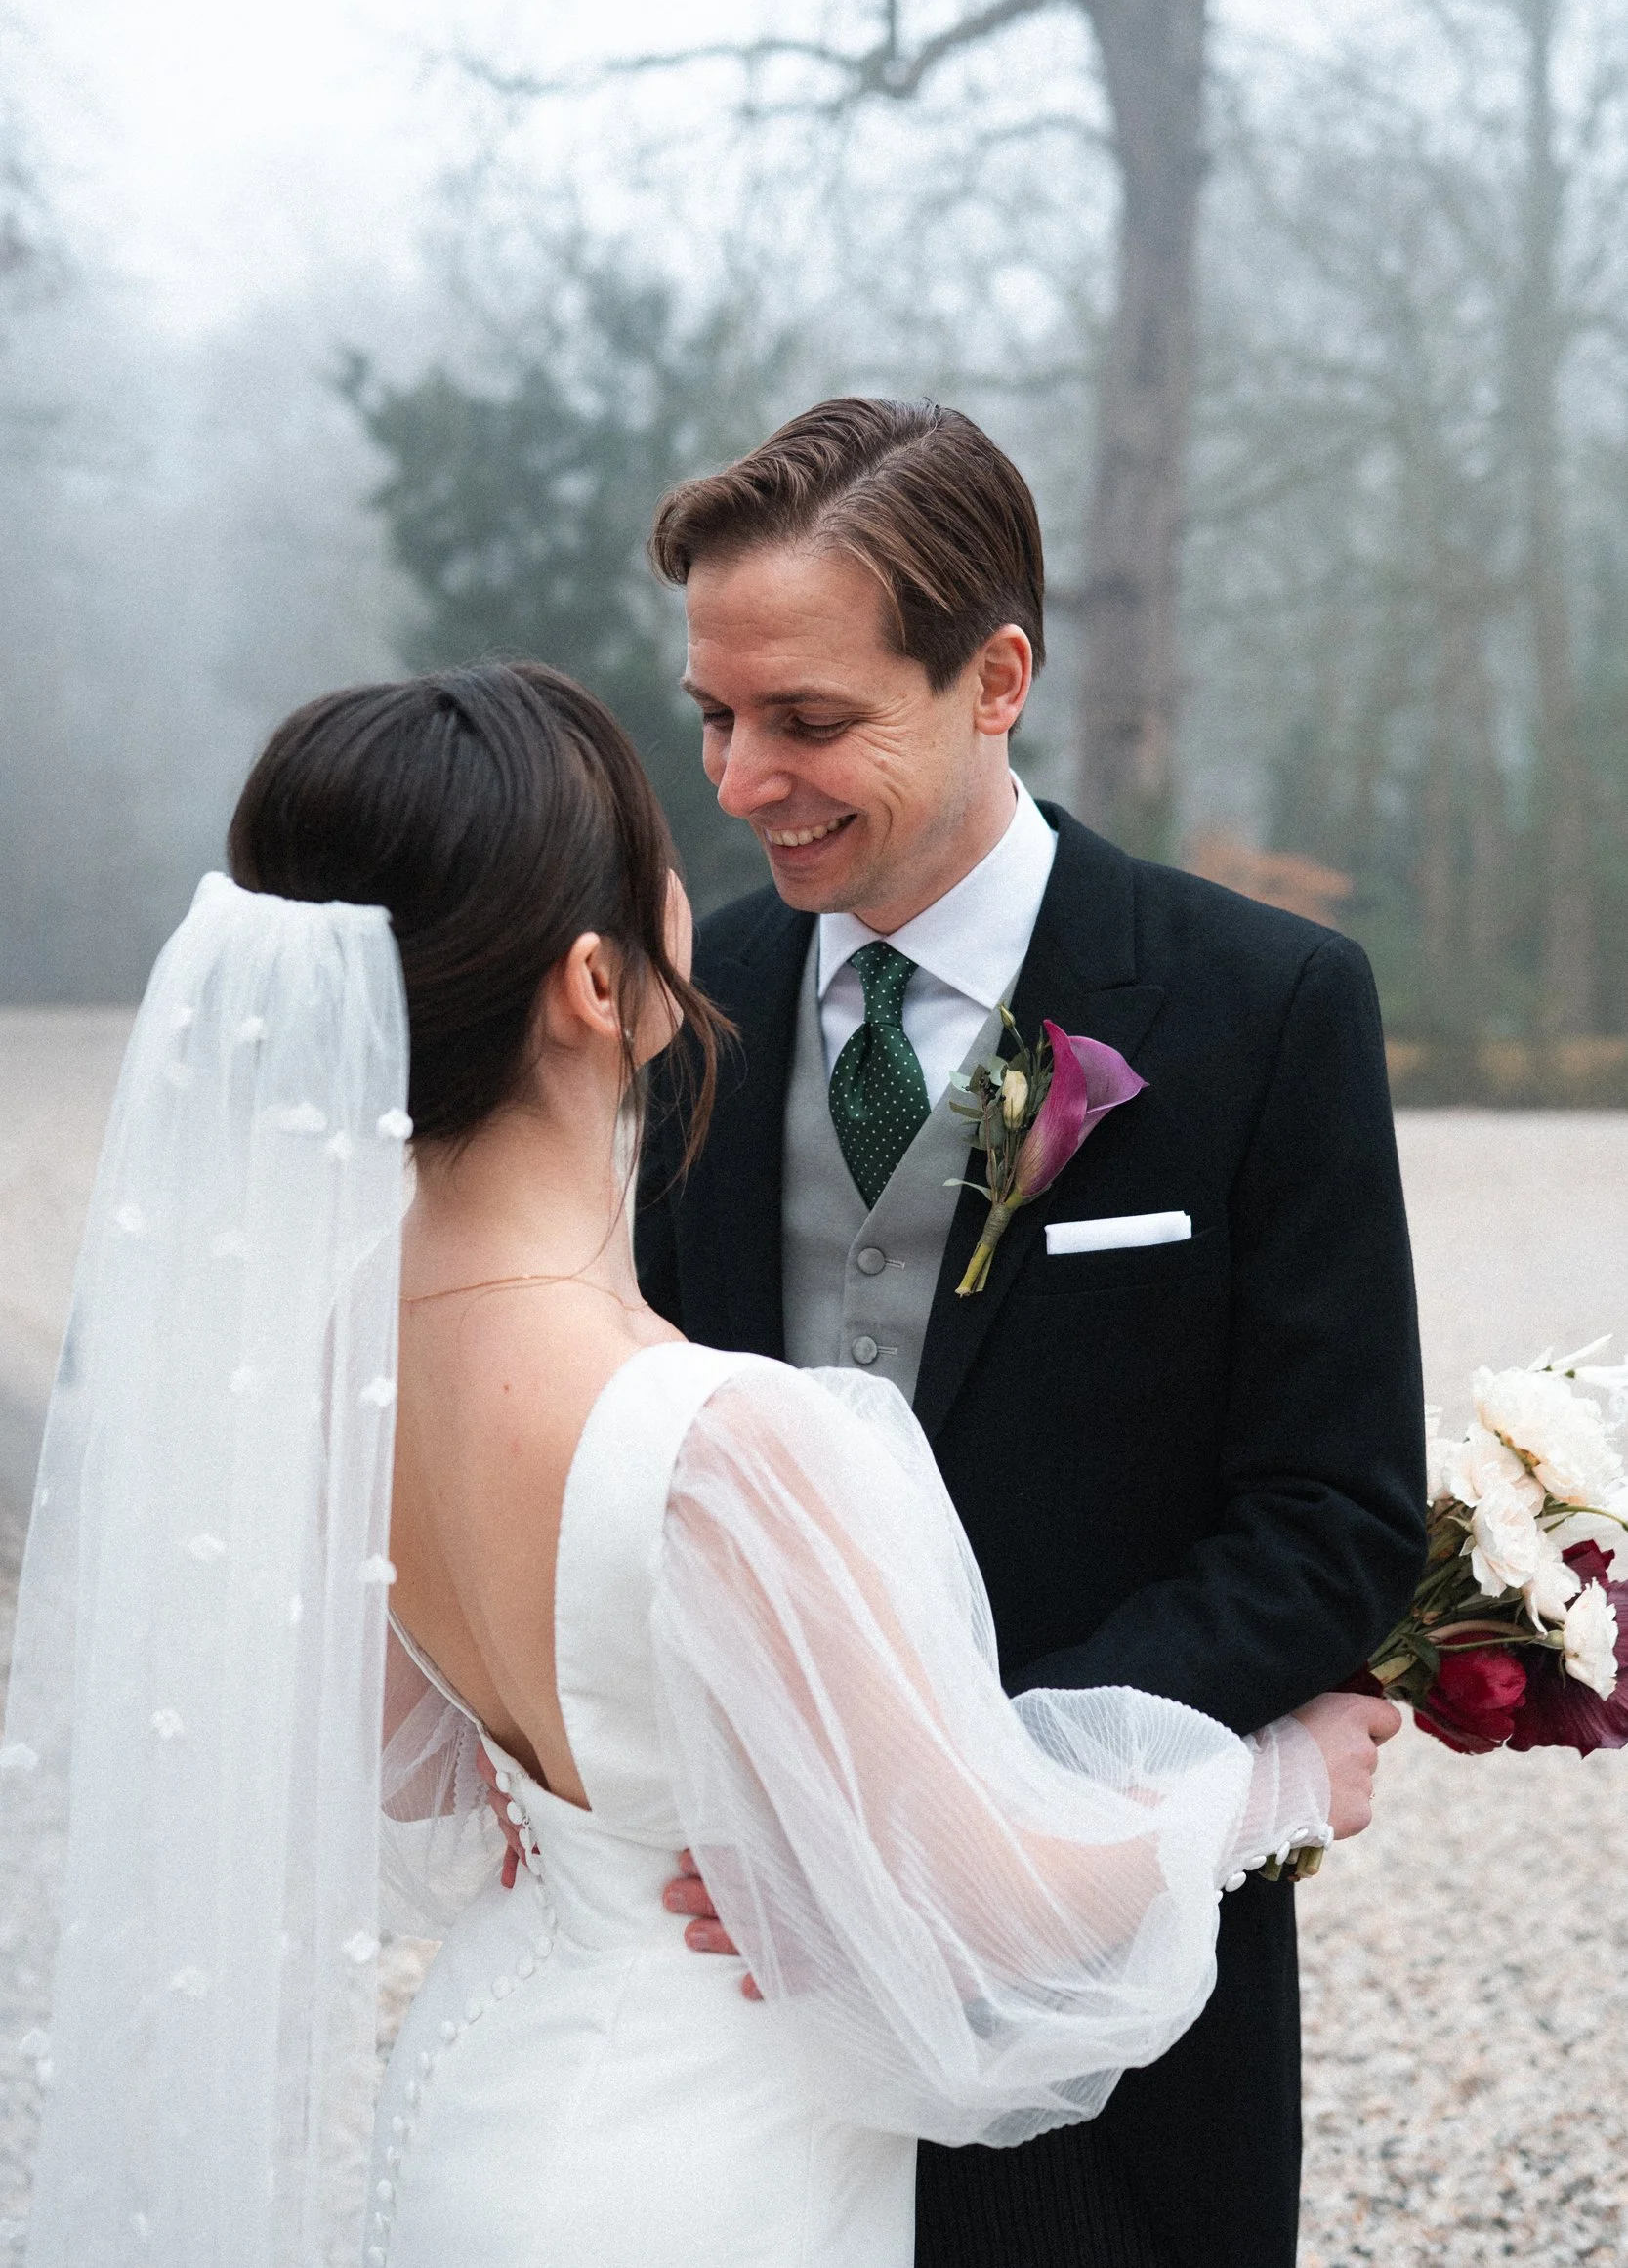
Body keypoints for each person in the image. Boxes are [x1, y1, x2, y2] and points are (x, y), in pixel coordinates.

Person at [0, 661, 1392, 2268]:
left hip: (489, 2095)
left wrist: (646, 1798)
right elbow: (980, 1901)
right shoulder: (729, 1440)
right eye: (656, 839)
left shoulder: (332, 1365)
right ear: (595, 985)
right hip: (707, 2150)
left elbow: (423, 1768)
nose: (713, 839)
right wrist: (1281, 1780)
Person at [633, 399, 1428, 2268]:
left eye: (810, 722)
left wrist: (966, 1820)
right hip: (723, 1970)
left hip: (1116, 1990)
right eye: (715, 718)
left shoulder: (1264, 1004)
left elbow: (1327, 1516)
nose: (744, 780)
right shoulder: (695, 1005)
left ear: (995, 676)